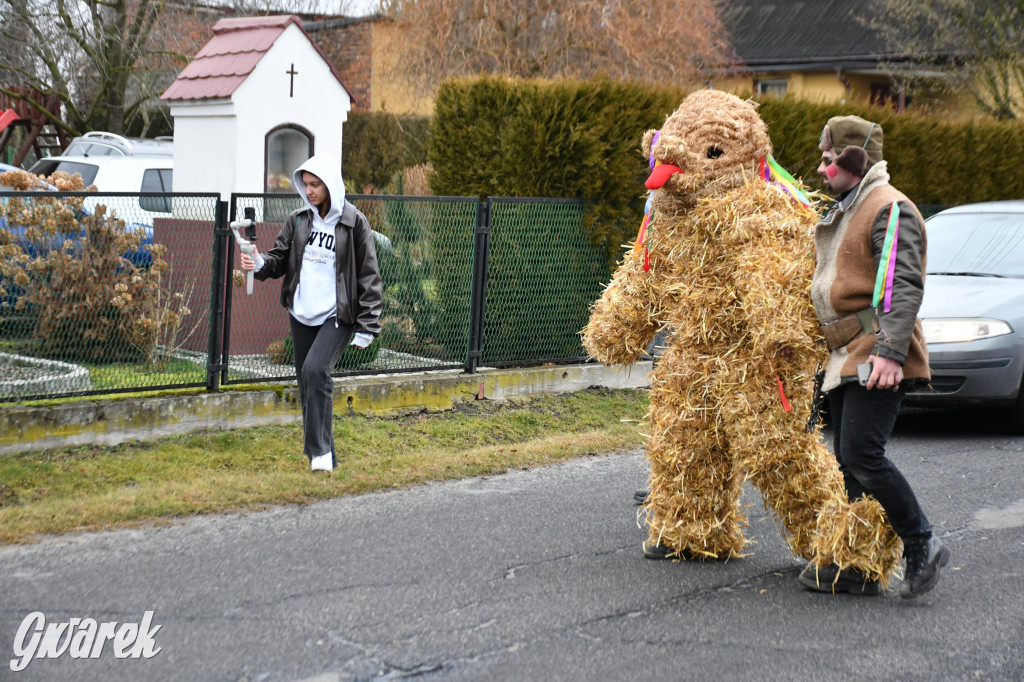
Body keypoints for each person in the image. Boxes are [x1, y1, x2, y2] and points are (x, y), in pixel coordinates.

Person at [799, 115, 950, 599]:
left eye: (828, 160)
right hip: (846, 352)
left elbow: (903, 285)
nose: (821, 169)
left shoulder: (890, 207)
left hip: (876, 348)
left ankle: (923, 542)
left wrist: (889, 353)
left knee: (863, 453)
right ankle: (859, 566)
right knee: (849, 459)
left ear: (854, 159)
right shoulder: (851, 205)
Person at [238, 153, 382, 472]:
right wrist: (258, 262)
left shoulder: (354, 222)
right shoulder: (298, 220)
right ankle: (326, 455)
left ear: (330, 184)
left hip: (337, 314)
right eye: (306, 184)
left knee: (316, 371)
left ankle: (319, 454)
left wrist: (368, 325)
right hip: (301, 312)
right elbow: (279, 259)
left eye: (316, 184)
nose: (310, 190)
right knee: (307, 384)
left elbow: (369, 275)